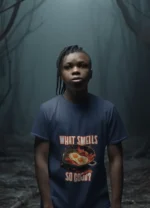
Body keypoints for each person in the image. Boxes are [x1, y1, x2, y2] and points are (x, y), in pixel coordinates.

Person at [31, 45, 128, 208]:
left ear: (91, 72)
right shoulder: (47, 111)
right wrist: (47, 202)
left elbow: (116, 158)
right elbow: (41, 159)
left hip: (97, 202)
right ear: (60, 74)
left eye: (82, 65)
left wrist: (116, 203)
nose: (75, 70)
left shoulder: (107, 110)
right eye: (68, 67)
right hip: (58, 202)